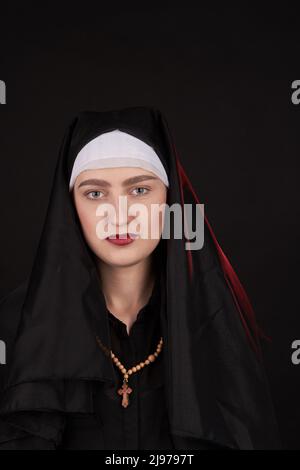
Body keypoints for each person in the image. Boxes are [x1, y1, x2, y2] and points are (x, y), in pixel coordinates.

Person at [0, 106, 281, 450]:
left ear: (170, 200)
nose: (119, 215)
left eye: (139, 190)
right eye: (95, 193)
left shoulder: (219, 321)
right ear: (70, 207)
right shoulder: (15, 328)